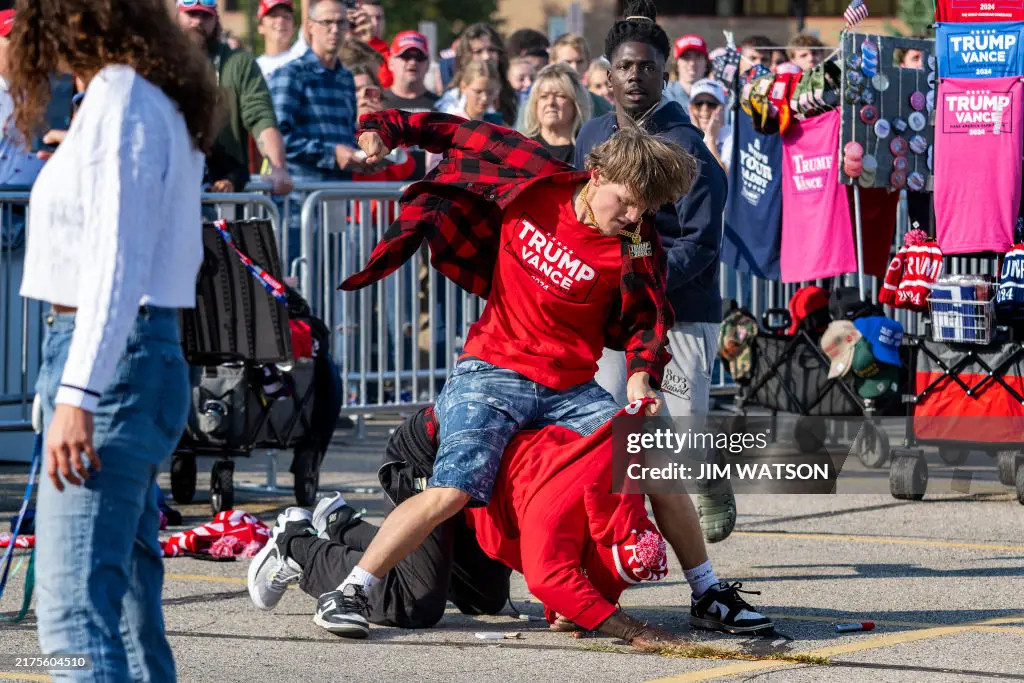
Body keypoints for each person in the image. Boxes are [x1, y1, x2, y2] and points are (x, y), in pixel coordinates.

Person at [329, 107, 703, 638]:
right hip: (492, 370)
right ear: (596, 175)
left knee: (650, 459)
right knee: (453, 490)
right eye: (625, 201)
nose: (633, 216)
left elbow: (648, 315)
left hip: (570, 388)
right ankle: (352, 591)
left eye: (645, 209)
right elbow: (455, 130)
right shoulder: (535, 179)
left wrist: (642, 375)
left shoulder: (637, 239)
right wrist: (383, 130)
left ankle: (709, 590)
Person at [11, 0, 220, 679]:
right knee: (127, 609)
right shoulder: (139, 96)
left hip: (109, 354)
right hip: (124, 353)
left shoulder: (122, 99)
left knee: (72, 613)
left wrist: (77, 390)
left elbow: (114, 260)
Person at [248, 402, 686, 647]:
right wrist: (631, 630)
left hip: (483, 486)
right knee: (415, 604)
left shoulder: (622, 501)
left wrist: (584, 611)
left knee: (485, 599)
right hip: (435, 454)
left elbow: (589, 583)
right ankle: (296, 545)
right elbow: (551, 578)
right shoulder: (562, 501)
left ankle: (341, 524)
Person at [575, 0, 739, 546]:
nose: (635, 76)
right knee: (613, 427)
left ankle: (710, 475)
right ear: (607, 73)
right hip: (611, 311)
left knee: (683, 435)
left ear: (664, 75)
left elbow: (701, 242)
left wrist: (646, 287)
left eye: (647, 67)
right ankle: (623, 539)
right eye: (625, 66)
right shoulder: (592, 134)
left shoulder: (686, 145)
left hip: (681, 307)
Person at [176, 0, 293, 195]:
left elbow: (260, 117)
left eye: (205, 16)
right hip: (172, 185)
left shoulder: (238, 63)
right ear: (177, 16)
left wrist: (277, 167)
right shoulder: (162, 63)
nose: (198, 22)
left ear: (216, 20)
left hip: (223, 191)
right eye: (191, 14)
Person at [268, 0, 371, 183]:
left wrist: (366, 154)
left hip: (338, 197)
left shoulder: (346, 78)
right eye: (327, 22)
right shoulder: (290, 74)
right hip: (299, 198)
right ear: (310, 27)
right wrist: (332, 154)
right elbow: (277, 139)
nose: (335, 29)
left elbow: (346, 137)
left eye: (341, 23)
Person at [435, 23, 516, 126]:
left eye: (491, 50)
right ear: (465, 56)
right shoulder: (452, 99)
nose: (486, 56)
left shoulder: (513, 93)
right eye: (478, 51)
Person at [519, 62, 591, 164]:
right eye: (544, 96)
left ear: (576, 103)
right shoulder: (523, 148)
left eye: (560, 96)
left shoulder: (590, 150)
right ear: (535, 104)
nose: (551, 102)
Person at [550, 33, 614, 118]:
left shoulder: (601, 105)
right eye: (567, 62)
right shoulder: (541, 102)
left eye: (579, 62)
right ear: (552, 63)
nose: (574, 68)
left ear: (587, 63)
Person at [381, 30, 438, 113]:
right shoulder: (378, 104)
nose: (413, 62)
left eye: (419, 57)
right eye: (405, 56)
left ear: (428, 64)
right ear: (391, 63)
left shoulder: (442, 105)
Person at [256, 0, 307, 78]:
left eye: (286, 17)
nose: (281, 20)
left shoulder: (303, 53)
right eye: (273, 15)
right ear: (260, 27)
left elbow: (308, 12)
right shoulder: (254, 67)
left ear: (294, 27)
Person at [688, 78, 731, 172]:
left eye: (711, 104)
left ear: (722, 108)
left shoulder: (732, 137)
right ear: (691, 108)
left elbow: (725, 178)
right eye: (698, 103)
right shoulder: (685, 135)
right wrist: (697, 137)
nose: (704, 109)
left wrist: (711, 140)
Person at [663, 33, 709, 111]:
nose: (692, 63)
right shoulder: (663, 96)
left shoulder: (718, 96)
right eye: (686, 57)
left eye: (698, 56)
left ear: (706, 63)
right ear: (676, 64)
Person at [450, 59, 503, 124]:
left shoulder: (498, 123)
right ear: (463, 87)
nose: (485, 98)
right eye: (478, 91)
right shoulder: (453, 124)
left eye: (490, 92)